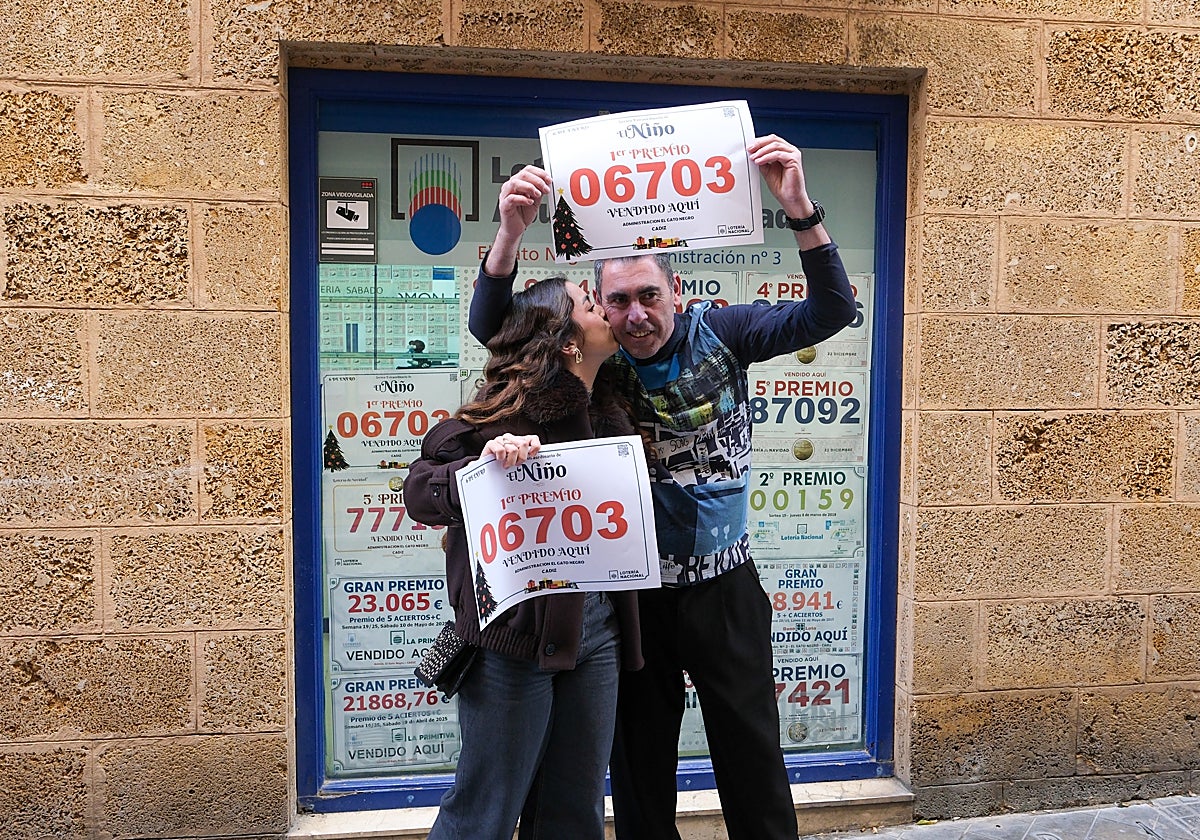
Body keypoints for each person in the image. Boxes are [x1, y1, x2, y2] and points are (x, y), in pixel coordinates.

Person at [467, 134, 858, 840]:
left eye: (650, 295)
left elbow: (830, 311)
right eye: (617, 301)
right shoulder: (596, 355)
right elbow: (495, 330)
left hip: (724, 587)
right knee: (638, 768)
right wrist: (509, 235)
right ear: (599, 308)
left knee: (752, 757)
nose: (636, 315)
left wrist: (799, 208)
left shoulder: (726, 331)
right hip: (636, 597)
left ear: (677, 291)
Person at [405, 273, 644, 840]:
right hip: (512, 642)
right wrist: (482, 468)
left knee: (576, 810)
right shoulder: (500, 421)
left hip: (598, 635)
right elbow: (418, 492)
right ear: (566, 340)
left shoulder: (611, 413)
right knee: (484, 811)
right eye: (588, 303)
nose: (605, 310)